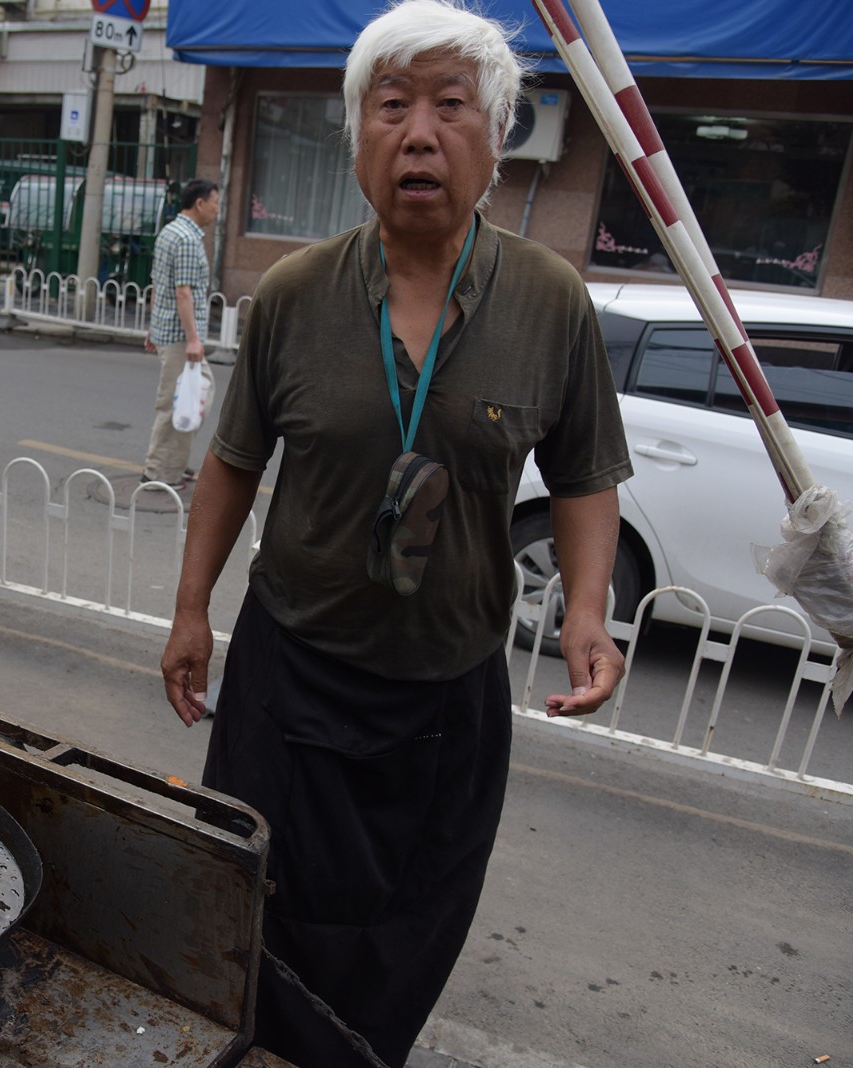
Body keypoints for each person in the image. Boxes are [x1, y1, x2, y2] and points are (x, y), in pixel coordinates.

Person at [158, 2, 633, 1064]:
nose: (419, 133)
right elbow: (233, 464)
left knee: (402, 941)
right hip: (291, 680)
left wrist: (588, 611)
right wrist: (191, 611)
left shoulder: (551, 302)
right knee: (254, 916)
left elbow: (585, 474)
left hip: (445, 696)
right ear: (358, 137)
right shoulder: (291, 294)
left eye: (451, 106)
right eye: (392, 106)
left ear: (496, 134)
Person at [141, 178, 220, 491]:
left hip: (168, 331)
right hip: (179, 337)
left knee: (188, 400)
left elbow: (158, 284)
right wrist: (193, 339)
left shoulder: (170, 231)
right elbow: (182, 292)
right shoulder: (186, 239)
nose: (217, 210)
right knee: (180, 404)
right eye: (215, 203)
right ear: (199, 203)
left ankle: (171, 462)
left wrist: (152, 326)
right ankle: (158, 472)